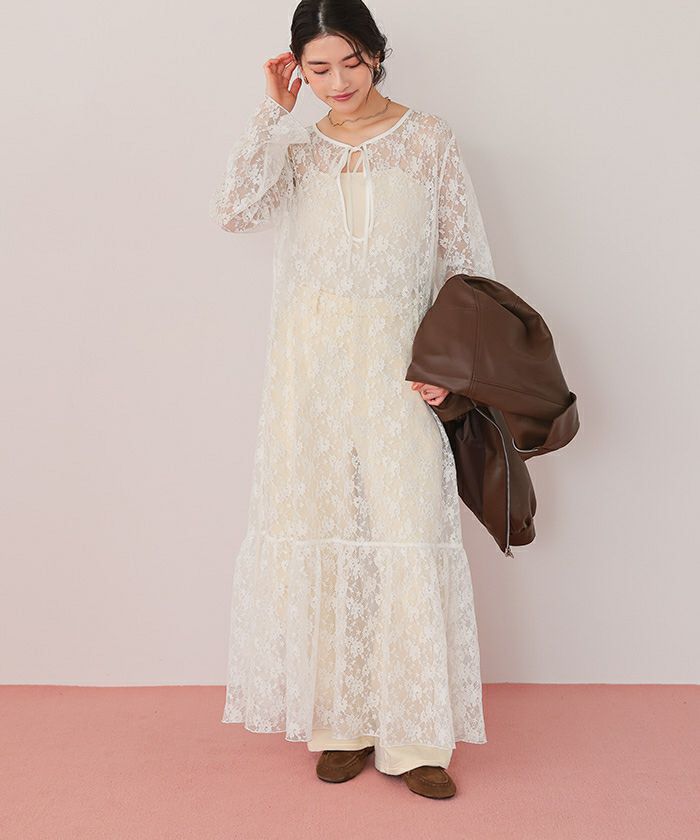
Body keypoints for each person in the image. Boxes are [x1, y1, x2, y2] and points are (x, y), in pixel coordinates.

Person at [210, 0, 496, 800]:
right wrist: (271, 114)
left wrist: (452, 366)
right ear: (297, 69)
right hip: (311, 373)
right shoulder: (298, 150)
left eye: (349, 62)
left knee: (409, 534)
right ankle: (341, 723)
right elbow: (234, 211)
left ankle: (417, 736)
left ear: (375, 55)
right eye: (317, 68)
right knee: (327, 534)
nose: (336, 82)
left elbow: (466, 262)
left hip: (402, 371)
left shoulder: (429, 139)